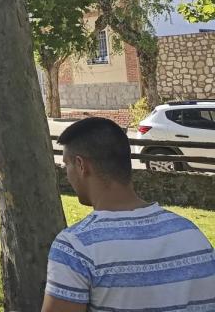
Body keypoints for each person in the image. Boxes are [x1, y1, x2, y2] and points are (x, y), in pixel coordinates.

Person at [42, 117, 215, 312]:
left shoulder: (76, 248)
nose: (67, 174)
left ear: (82, 165)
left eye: (67, 165)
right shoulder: (192, 236)